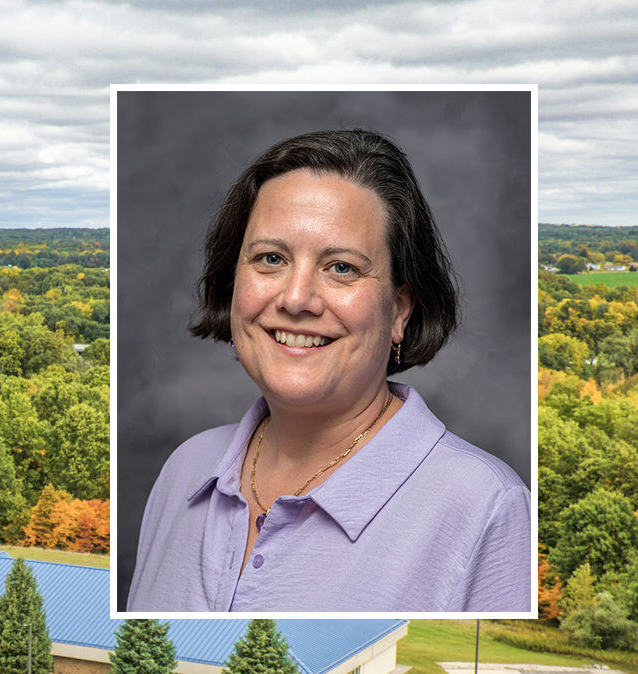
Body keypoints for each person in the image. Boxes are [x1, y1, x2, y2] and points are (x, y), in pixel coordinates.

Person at [126, 128, 531, 613]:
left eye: (341, 268)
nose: (296, 299)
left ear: (400, 310)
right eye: (270, 259)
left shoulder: (486, 508)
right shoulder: (185, 470)